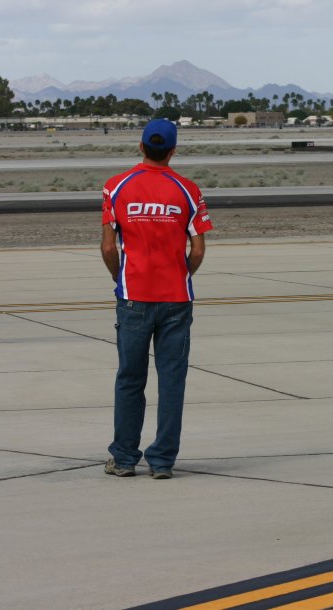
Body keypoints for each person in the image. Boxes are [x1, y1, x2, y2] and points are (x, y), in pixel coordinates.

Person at [100, 119, 213, 480]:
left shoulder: (116, 186)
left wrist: (119, 277)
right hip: (176, 299)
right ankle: (162, 461)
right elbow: (198, 249)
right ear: (173, 151)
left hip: (133, 296)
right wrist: (182, 275)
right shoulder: (188, 190)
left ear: (141, 146)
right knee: (172, 380)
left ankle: (124, 458)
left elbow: (108, 247)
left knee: (130, 379)